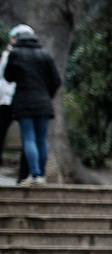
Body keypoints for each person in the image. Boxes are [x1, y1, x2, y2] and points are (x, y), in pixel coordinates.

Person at [3, 24, 59, 186]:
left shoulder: (15, 54)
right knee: (42, 139)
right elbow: (56, 80)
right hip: (43, 102)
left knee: (28, 138)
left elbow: (8, 77)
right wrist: (47, 96)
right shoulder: (45, 54)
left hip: (24, 101)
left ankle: (34, 174)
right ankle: (41, 175)